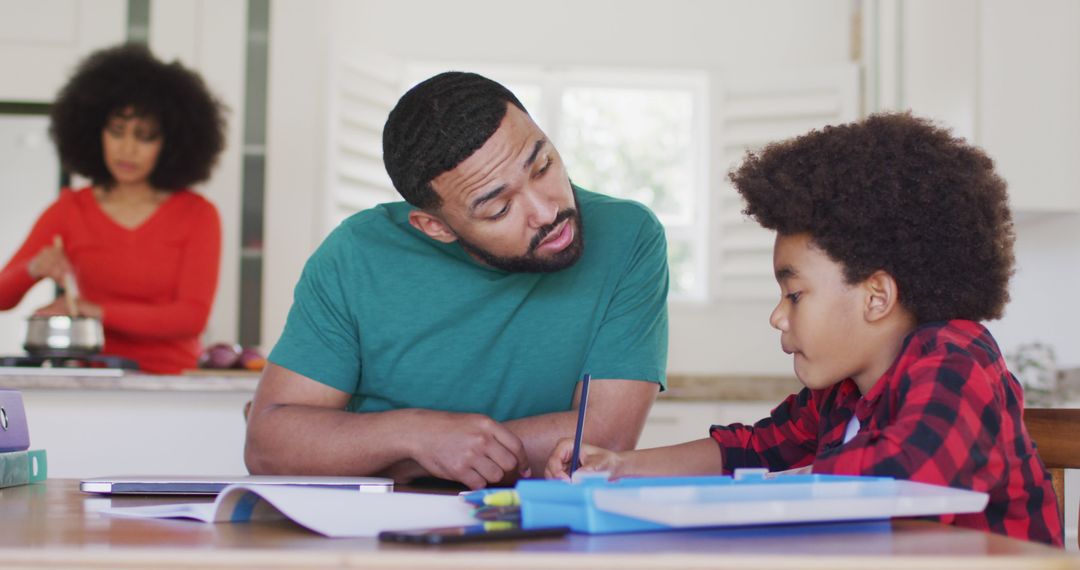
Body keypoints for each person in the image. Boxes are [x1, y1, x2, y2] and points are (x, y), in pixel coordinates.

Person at [545, 113, 1063, 546]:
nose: (777, 314)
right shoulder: (840, 395)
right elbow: (746, 450)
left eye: (794, 294)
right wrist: (620, 466)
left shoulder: (957, 359)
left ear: (876, 296)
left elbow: (901, 474)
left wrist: (769, 488)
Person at [245, 71, 669, 490]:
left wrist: (390, 457)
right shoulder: (356, 254)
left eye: (543, 166)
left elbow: (601, 442)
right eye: (499, 208)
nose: (546, 211)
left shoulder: (628, 236)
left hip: (546, 527)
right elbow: (269, 447)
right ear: (436, 227)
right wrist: (417, 434)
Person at [0, 43, 226, 374]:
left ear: (171, 143)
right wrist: (32, 269)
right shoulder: (68, 210)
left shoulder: (198, 215)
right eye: (116, 132)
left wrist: (94, 310)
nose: (127, 149)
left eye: (145, 136)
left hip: (173, 385)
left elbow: (191, 318)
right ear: (96, 132)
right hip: (93, 381)